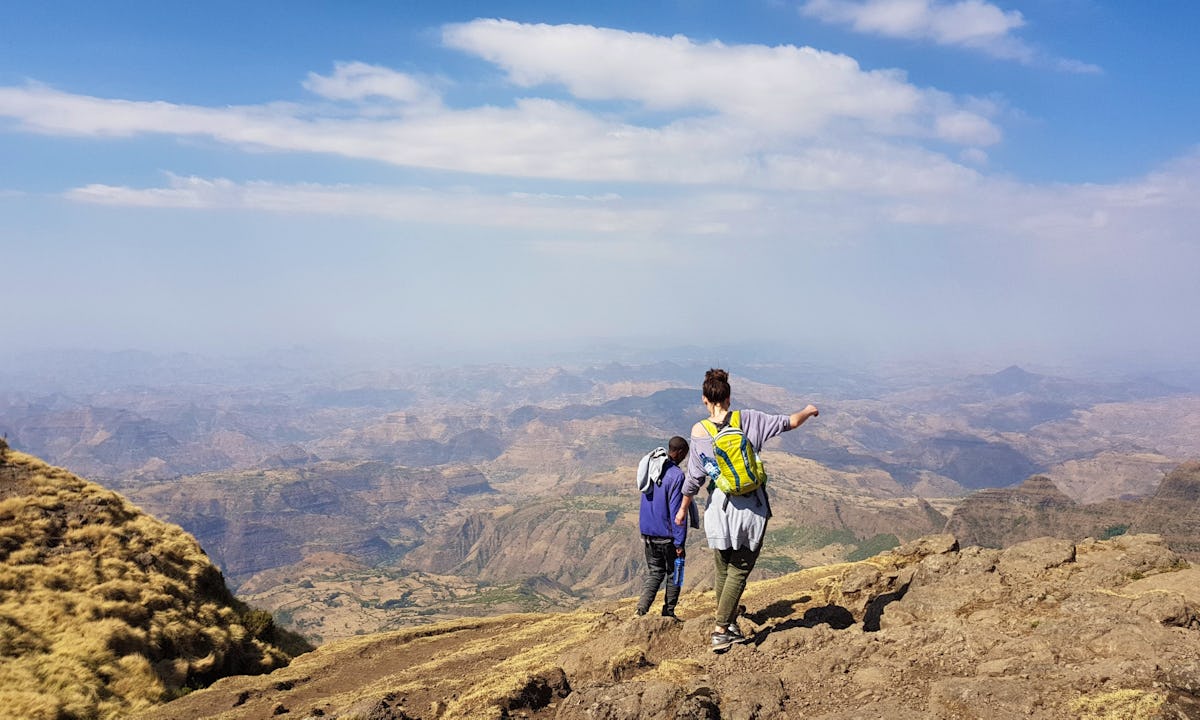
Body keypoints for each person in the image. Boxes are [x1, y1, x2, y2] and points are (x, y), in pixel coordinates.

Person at [675, 368, 819, 652]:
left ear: (705, 399)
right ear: (729, 396)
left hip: (719, 508)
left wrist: (682, 509)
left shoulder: (699, 431)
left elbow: (694, 477)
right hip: (751, 509)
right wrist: (808, 410)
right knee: (739, 570)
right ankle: (720, 630)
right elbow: (790, 423)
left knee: (723, 568)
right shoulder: (749, 419)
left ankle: (727, 624)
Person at [636, 435, 690, 618]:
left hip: (648, 534)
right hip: (666, 536)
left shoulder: (652, 471)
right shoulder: (676, 476)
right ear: (681, 452)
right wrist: (680, 543)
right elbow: (678, 514)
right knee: (676, 571)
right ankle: (669, 613)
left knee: (655, 573)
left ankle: (640, 611)